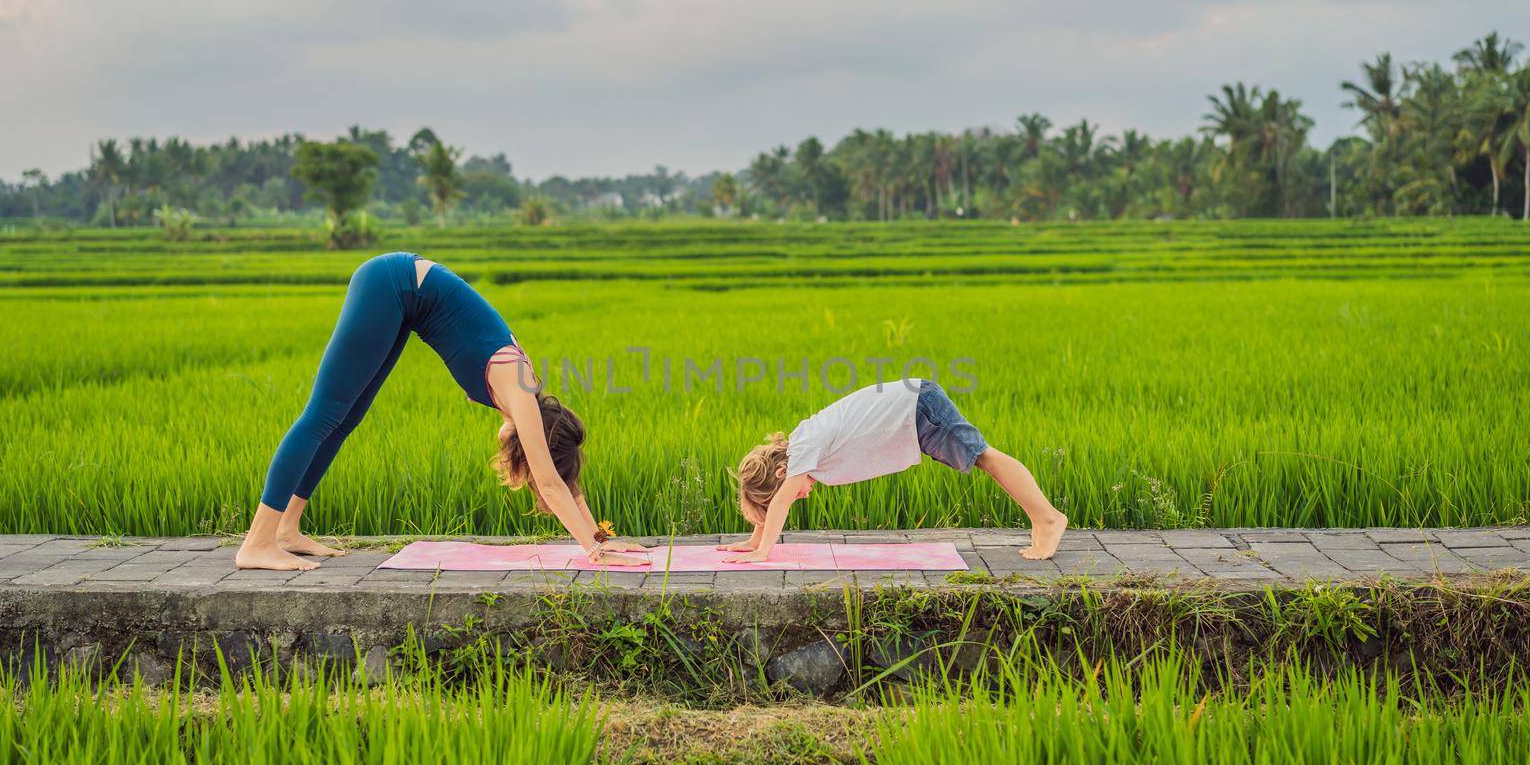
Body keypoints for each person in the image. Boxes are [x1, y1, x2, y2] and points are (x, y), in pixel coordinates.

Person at [236, 252, 648, 570]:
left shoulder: (526, 397)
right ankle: (257, 542)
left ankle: (286, 529)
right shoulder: (519, 390)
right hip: (391, 283)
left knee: (344, 420)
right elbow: (551, 480)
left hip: (404, 300)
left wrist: (602, 535)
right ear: (532, 435)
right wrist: (595, 551)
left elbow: (561, 477)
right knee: (323, 415)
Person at [723, 379, 1065, 563]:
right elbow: (780, 500)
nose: (801, 495)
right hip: (915, 411)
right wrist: (753, 537)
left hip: (918, 409)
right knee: (981, 458)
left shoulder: (804, 447)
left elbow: (781, 500)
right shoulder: (805, 444)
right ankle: (1041, 518)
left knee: (984, 457)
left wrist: (762, 551)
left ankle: (1048, 518)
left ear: (783, 471)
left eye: (792, 491)